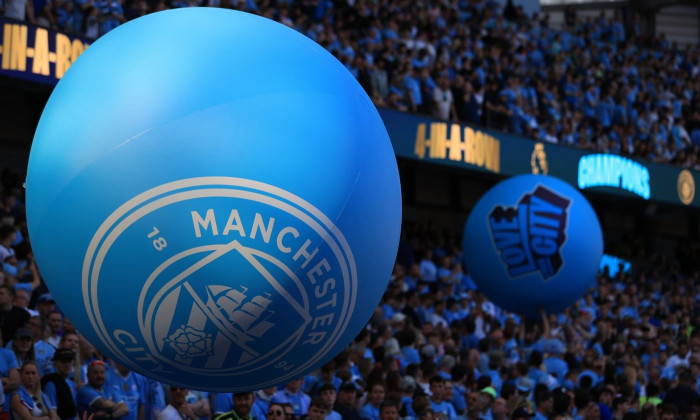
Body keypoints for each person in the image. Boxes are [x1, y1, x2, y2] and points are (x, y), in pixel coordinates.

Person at [42, 348, 78, 420]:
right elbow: (53, 412)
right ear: (55, 363)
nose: (67, 364)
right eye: (63, 361)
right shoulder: (51, 384)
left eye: (69, 361)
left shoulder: (71, 383)